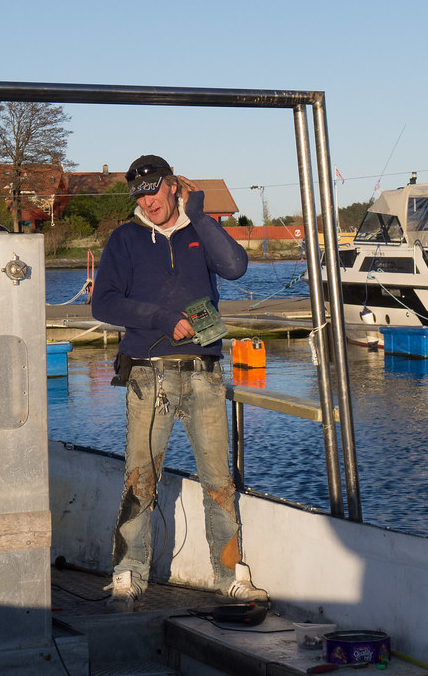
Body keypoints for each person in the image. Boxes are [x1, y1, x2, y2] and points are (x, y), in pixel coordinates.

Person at [91, 154, 269, 613]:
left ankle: (230, 578)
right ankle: (128, 577)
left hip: (205, 376)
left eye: (154, 190)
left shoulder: (198, 230)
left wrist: (199, 212)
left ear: (173, 186)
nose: (148, 201)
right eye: (140, 195)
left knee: (219, 483)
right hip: (149, 378)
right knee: (140, 479)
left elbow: (235, 267)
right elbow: (104, 303)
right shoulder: (125, 239)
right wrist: (163, 319)